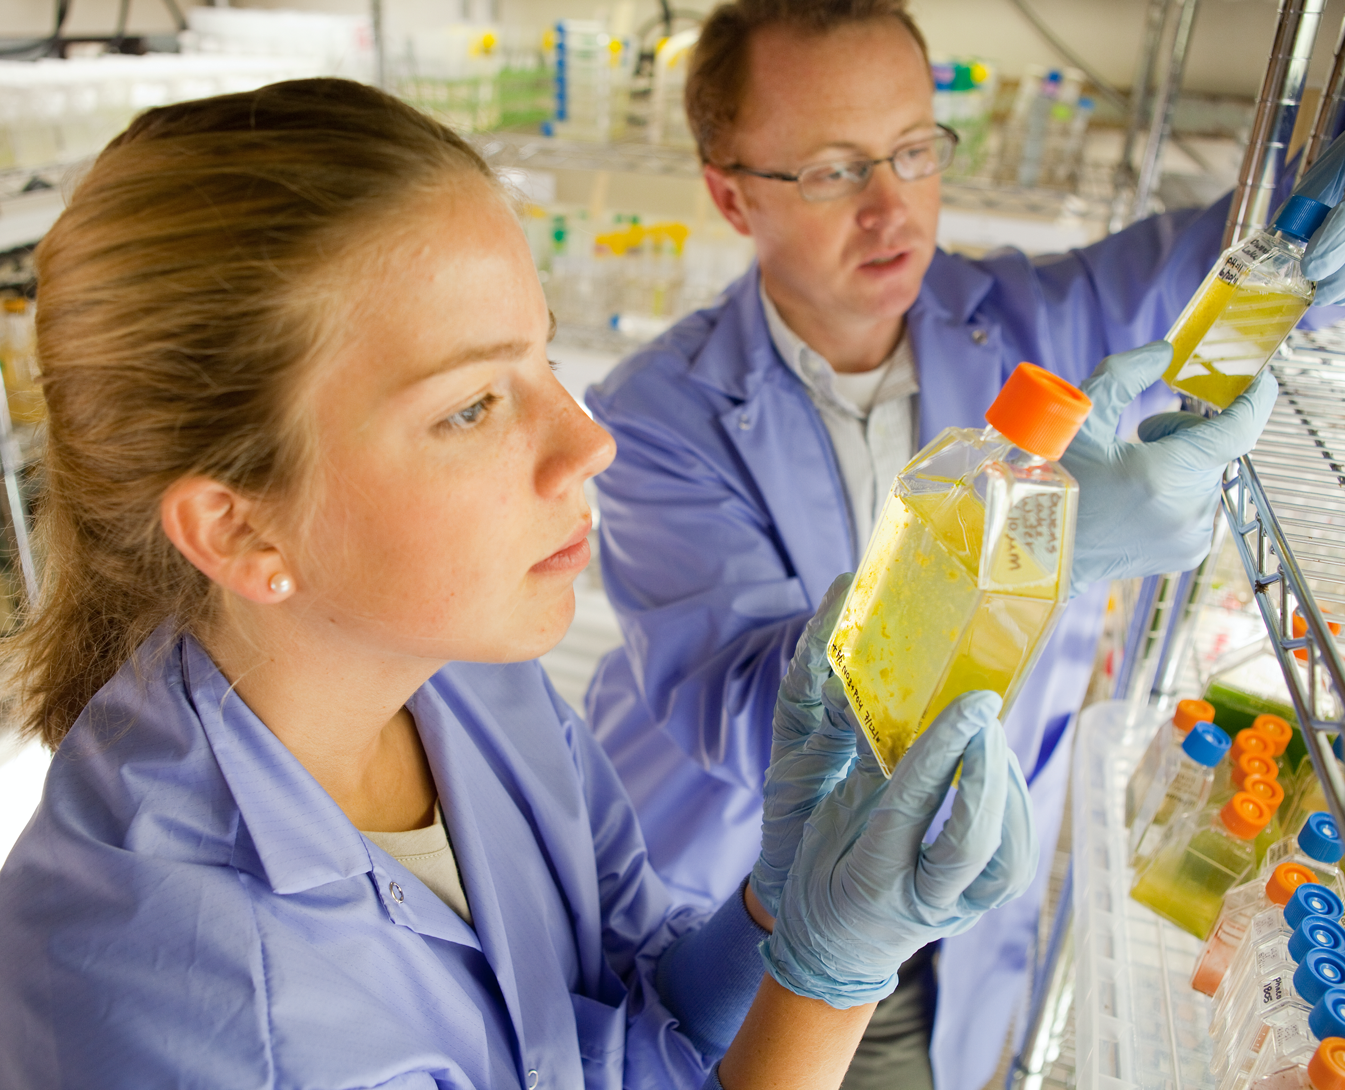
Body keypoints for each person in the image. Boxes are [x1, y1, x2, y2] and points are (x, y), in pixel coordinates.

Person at [0, 79, 1039, 1090]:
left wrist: (775, 910)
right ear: (238, 528)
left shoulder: (461, 681)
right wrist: (825, 983)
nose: (590, 442)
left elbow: (618, 1013)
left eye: (541, 358)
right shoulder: (207, 1013)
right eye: (470, 408)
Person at [582, 2, 1345, 1087]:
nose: (894, 208)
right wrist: (1041, 558)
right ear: (729, 190)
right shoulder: (656, 415)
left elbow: (1222, 266)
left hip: (952, 918)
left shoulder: (1029, 318)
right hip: (740, 907)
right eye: (834, 171)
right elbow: (756, 719)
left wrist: (1303, 249)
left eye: (912, 149)